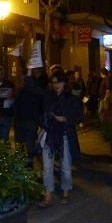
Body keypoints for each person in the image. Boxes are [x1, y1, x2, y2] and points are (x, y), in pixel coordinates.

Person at [38, 71, 82, 207]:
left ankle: (65, 192)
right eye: (54, 82)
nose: (56, 85)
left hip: (64, 133)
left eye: (59, 82)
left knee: (66, 165)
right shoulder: (48, 97)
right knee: (47, 166)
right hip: (49, 134)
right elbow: (42, 113)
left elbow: (78, 116)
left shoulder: (70, 98)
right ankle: (48, 195)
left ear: (64, 83)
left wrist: (66, 119)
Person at [14, 67, 46, 164]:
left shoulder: (24, 91)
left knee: (25, 141)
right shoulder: (37, 91)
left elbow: (17, 105)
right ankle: (29, 160)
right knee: (29, 140)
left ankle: (26, 160)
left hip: (26, 119)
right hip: (28, 119)